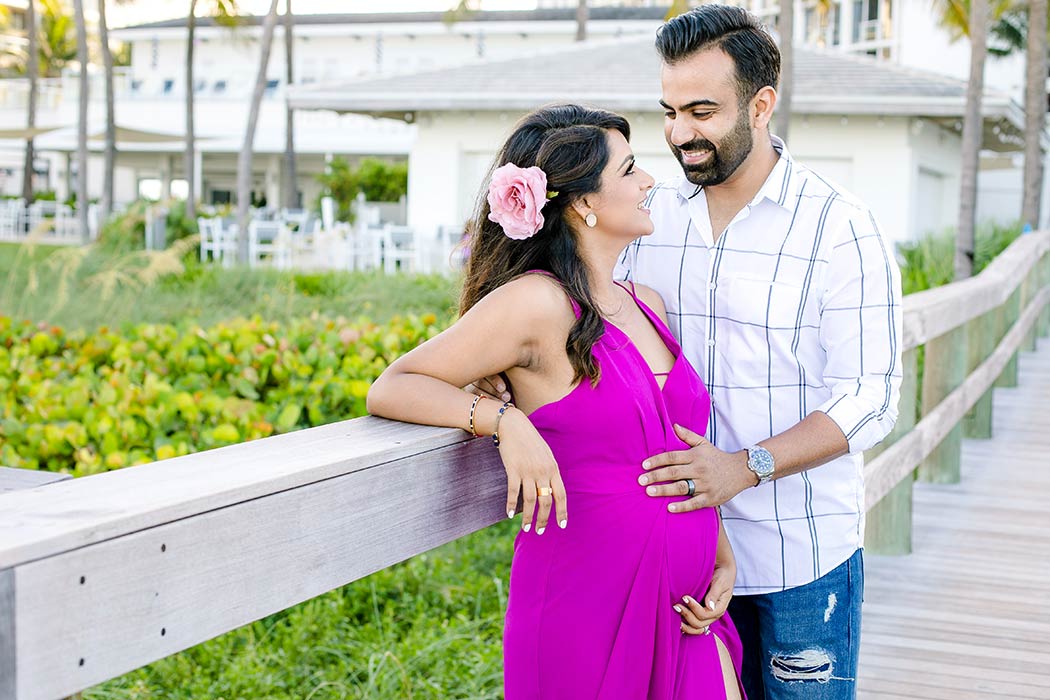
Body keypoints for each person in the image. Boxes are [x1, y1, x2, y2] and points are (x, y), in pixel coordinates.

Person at [367, 104, 746, 699]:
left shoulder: (645, 302)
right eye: (630, 171)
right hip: (585, 604)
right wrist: (501, 419)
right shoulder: (536, 304)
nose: (650, 182)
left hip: (688, 610)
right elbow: (393, 385)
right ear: (580, 204)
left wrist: (719, 551)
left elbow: (680, 449)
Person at [615, 6, 904, 699]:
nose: (681, 133)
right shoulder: (649, 222)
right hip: (681, 561)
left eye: (703, 111)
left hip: (799, 564)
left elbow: (871, 398)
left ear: (762, 104)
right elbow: (599, 330)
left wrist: (746, 467)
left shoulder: (841, 227)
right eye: (671, 110)